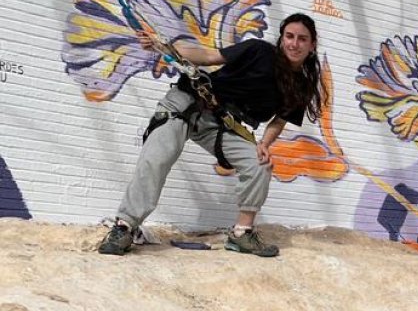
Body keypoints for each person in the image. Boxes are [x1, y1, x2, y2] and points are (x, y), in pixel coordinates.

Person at [98, 13, 326, 257]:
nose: (294, 43)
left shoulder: (302, 86)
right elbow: (209, 56)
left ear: (312, 45)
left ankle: (242, 234)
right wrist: (163, 45)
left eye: (302, 39)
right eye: (289, 36)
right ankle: (124, 226)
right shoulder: (259, 51)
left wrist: (264, 144)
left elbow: (279, 120)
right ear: (282, 39)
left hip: (222, 125)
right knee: (157, 159)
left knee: (259, 165)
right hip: (187, 104)